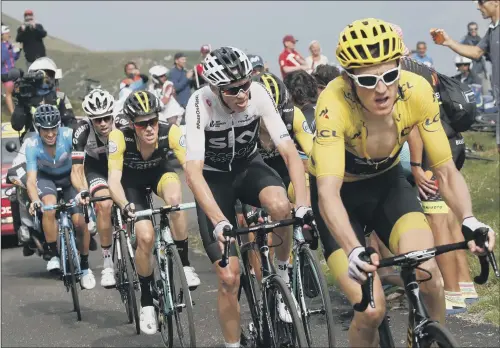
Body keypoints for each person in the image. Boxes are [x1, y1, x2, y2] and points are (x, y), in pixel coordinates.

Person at [309, 18, 495, 347]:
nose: (381, 88)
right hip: (341, 199)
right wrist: (353, 250)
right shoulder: (332, 104)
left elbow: (446, 170)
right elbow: (327, 191)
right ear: (348, 80)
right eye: (367, 80)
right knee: (370, 310)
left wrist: (468, 219)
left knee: (431, 280)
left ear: (400, 67)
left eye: (389, 75)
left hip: (388, 186)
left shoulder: (416, 89)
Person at [184, 46, 311, 347]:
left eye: (245, 84)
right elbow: (192, 173)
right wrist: (217, 220)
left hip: (248, 166)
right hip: (215, 179)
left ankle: (283, 276)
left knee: (282, 206)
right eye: (233, 90)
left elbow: (290, 152)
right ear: (215, 88)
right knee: (229, 278)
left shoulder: (258, 93)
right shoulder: (199, 104)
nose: (243, 94)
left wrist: (303, 204)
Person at [107, 90, 200, 334]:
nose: (150, 128)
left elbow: (190, 168)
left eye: (153, 121)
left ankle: (186, 263)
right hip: (132, 184)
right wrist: (124, 205)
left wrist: (204, 195)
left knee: (175, 200)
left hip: (160, 173)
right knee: (146, 237)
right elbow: (114, 181)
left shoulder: (171, 131)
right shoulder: (119, 137)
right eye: (142, 124)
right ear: (132, 125)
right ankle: (147, 300)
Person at [25, 105, 96, 289]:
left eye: (53, 128)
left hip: (69, 177)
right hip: (46, 179)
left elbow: (78, 169)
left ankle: (86, 266)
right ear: (37, 129)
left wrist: (82, 190)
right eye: (45, 130)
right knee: (48, 206)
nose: (50, 133)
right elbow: (31, 180)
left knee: (80, 222)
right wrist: (34, 200)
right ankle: (53, 254)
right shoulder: (32, 145)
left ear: (59, 126)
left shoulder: (68, 135)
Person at [431, 0, 499, 152]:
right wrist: (448, 42)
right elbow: (476, 52)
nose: (478, 6)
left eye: (482, 2)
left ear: (496, 2)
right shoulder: (492, 30)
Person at [71, 89, 117, 288]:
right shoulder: (81, 130)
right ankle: (107, 264)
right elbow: (76, 169)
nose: (103, 123)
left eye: (106, 117)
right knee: (105, 204)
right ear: (90, 120)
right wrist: (83, 189)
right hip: (96, 168)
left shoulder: (123, 124)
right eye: (97, 120)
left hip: (120, 167)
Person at [11, 56, 76, 136]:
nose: (46, 79)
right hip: (32, 144)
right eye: (43, 76)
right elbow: (17, 126)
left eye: (50, 75)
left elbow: (71, 123)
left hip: (56, 141)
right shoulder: (26, 98)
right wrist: (20, 102)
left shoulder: (60, 97)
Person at [461, 21, 491, 93]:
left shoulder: (480, 39)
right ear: (468, 30)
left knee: (487, 92)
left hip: (482, 70)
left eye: (475, 29)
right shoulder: (465, 42)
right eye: (471, 29)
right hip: (472, 72)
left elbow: (485, 53)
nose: (473, 31)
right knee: (476, 94)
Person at [1, 25, 21, 114]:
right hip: (5, 73)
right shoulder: (2, 46)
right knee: (9, 93)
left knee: (17, 91)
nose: (9, 35)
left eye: (8, 33)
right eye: (6, 33)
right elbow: (2, 59)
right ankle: (13, 113)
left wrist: (18, 51)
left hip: (12, 71)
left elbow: (14, 58)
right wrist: (9, 50)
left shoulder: (9, 44)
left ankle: (17, 110)